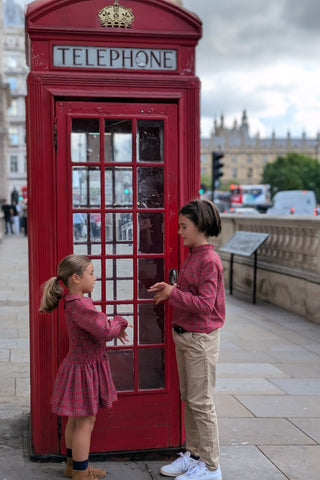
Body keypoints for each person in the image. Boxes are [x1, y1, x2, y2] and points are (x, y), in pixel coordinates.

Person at [148, 199, 225, 480]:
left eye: (184, 226)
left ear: (200, 226)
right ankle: (194, 456)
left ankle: (212, 466)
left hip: (200, 340)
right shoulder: (193, 254)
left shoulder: (209, 260)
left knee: (202, 403)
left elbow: (206, 305)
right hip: (185, 335)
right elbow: (189, 293)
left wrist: (173, 292)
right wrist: (170, 290)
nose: (179, 232)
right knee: (189, 399)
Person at [39, 254, 131, 480]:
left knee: (76, 420)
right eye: (91, 273)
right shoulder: (80, 305)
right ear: (76, 278)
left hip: (79, 366)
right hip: (84, 370)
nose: (95, 277)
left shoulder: (74, 303)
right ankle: (81, 473)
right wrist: (120, 321)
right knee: (85, 423)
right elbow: (105, 331)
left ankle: (74, 467)